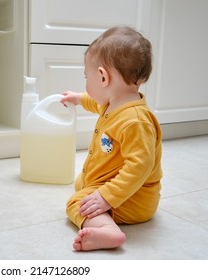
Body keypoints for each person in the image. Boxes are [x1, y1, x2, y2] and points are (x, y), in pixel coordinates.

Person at [60, 26, 162, 251]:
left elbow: (140, 166)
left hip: (135, 199)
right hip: (117, 186)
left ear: (103, 77)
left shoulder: (136, 121)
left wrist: (107, 196)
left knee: (76, 203)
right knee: (81, 183)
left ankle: (108, 231)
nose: (86, 83)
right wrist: (78, 98)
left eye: (87, 77)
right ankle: (99, 203)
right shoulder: (114, 103)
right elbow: (95, 102)